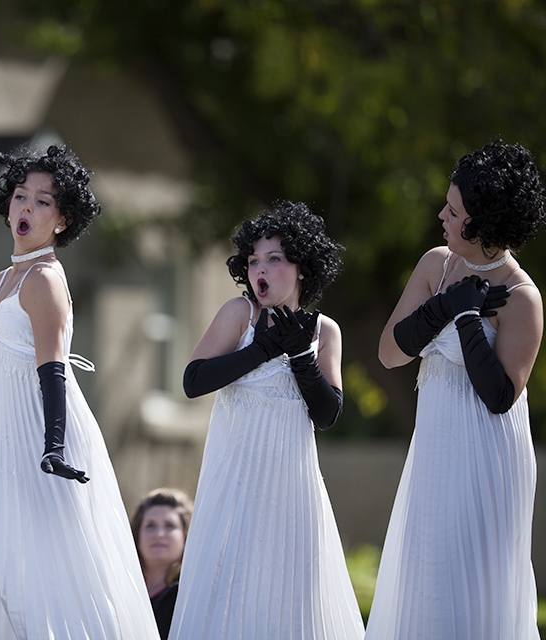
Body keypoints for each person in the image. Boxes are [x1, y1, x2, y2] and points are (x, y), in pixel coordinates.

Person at [0, 144, 160, 640]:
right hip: (9, 443)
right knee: (9, 565)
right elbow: (3, 382)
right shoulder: (2, 280)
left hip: (44, 441)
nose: (26, 208)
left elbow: (51, 370)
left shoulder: (44, 280)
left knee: (56, 571)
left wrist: (53, 446)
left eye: (42, 201)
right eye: (19, 196)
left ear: (62, 219)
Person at [367, 140, 544, 639]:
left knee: (473, 578)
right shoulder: (435, 264)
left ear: (483, 224)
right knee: (427, 575)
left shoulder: (523, 298)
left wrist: (467, 318)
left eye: (454, 209)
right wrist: (444, 306)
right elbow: (390, 353)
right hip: (436, 447)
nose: (442, 215)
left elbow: (499, 396)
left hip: (489, 455)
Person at [171, 201, 364, 640]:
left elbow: (327, 413)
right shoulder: (239, 314)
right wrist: (261, 349)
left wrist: (299, 355)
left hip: (292, 489)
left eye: (275, 259)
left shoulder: (324, 330)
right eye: (254, 259)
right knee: (228, 594)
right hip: (233, 484)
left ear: (302, 268)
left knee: (290, 600)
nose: (261, 268)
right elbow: (193, 380)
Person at [130, 488, 193, 640]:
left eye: (169, 525)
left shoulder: (188, 597)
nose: (159, 534)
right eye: (150, 525)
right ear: (137, 535)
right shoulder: (118, 589)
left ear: (186, 536)